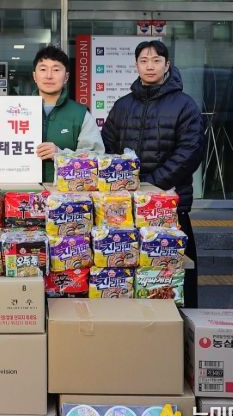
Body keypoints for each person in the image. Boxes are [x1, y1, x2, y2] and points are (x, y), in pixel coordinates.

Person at [101, 40, 205, 308]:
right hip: (126, 206)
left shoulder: (185, 105)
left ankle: (182, 324)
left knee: (176, 268)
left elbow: (190, 152)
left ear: (167, 65)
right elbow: (107, 147)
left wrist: (151, 185)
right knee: (128, 268)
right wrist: (124, 181)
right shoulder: (123, 105)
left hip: (168, 203)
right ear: (136, 65)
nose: (150, 66)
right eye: (144, 61)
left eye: (156, 60)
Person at [33, 45, 105, 182]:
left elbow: (96, 157)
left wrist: (60, 154)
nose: (49, 75)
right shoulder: (16, 111)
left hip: (66, 191)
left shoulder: (80, 114)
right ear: (34, 76)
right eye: (43, 69)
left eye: (56, 70)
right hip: (22, 190)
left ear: (66, 77)